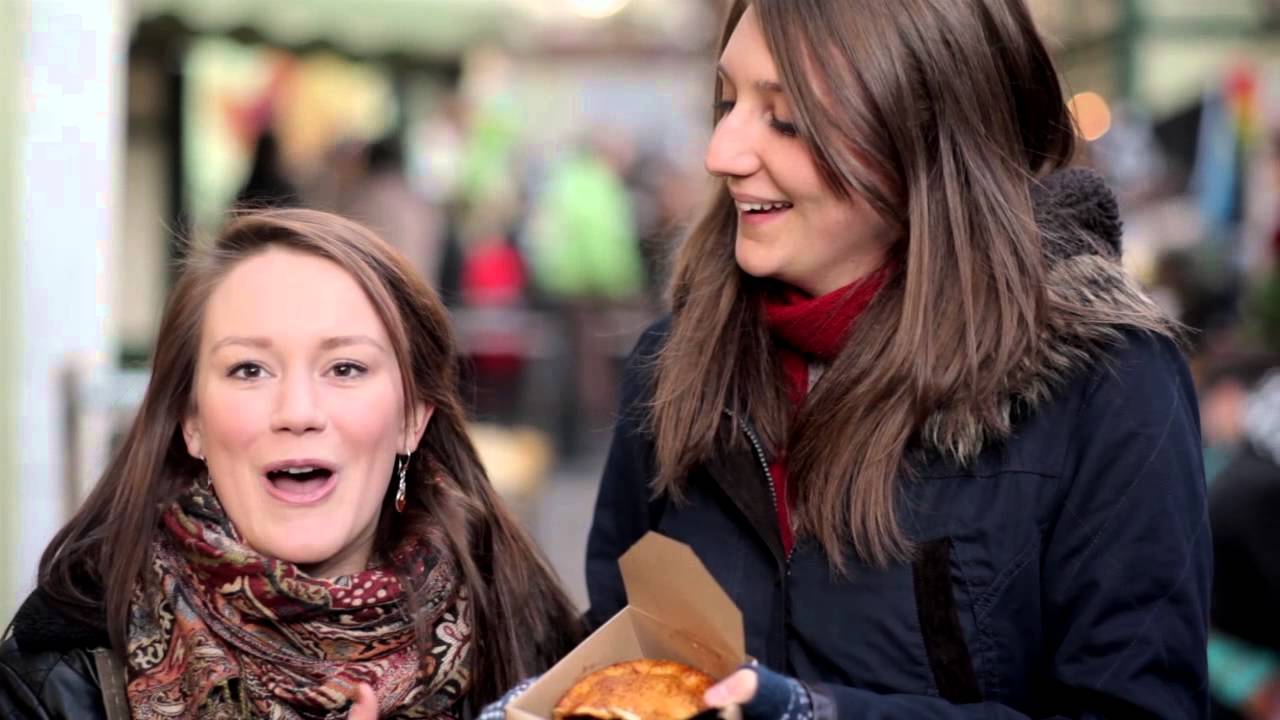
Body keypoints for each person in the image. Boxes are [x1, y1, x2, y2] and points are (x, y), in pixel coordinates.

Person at [584, 1, 1211, 718]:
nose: (721, 152)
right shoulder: (671, 369)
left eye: (785, 118)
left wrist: (815, 714)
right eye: (726, 101)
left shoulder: (1108, 384)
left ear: (928, 134)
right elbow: (615, 655)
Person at [0, 209, 582, 718]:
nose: (298, 412)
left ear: (413, 416)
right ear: (192, 421)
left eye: (346, 368)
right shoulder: (56, 675)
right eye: (250, 370)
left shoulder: (538, 650)